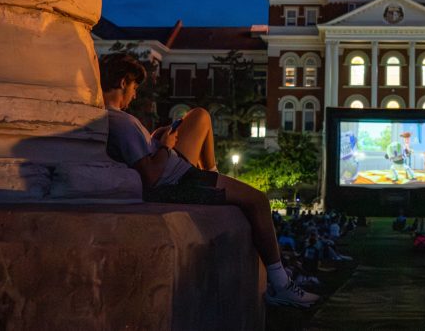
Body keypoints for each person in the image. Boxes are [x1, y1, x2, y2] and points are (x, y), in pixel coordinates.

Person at [100, 52, 318, 307]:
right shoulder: (121, 122)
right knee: (258, 201)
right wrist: (165, 147)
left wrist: (157, 140)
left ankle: (212, 174)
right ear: (124, 82)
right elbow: (149, 176)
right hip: (177, 180)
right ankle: (281, 283)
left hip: (174, 169)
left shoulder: (116, 119)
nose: (135, 95)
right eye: (135, 87)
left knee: (200, 115)